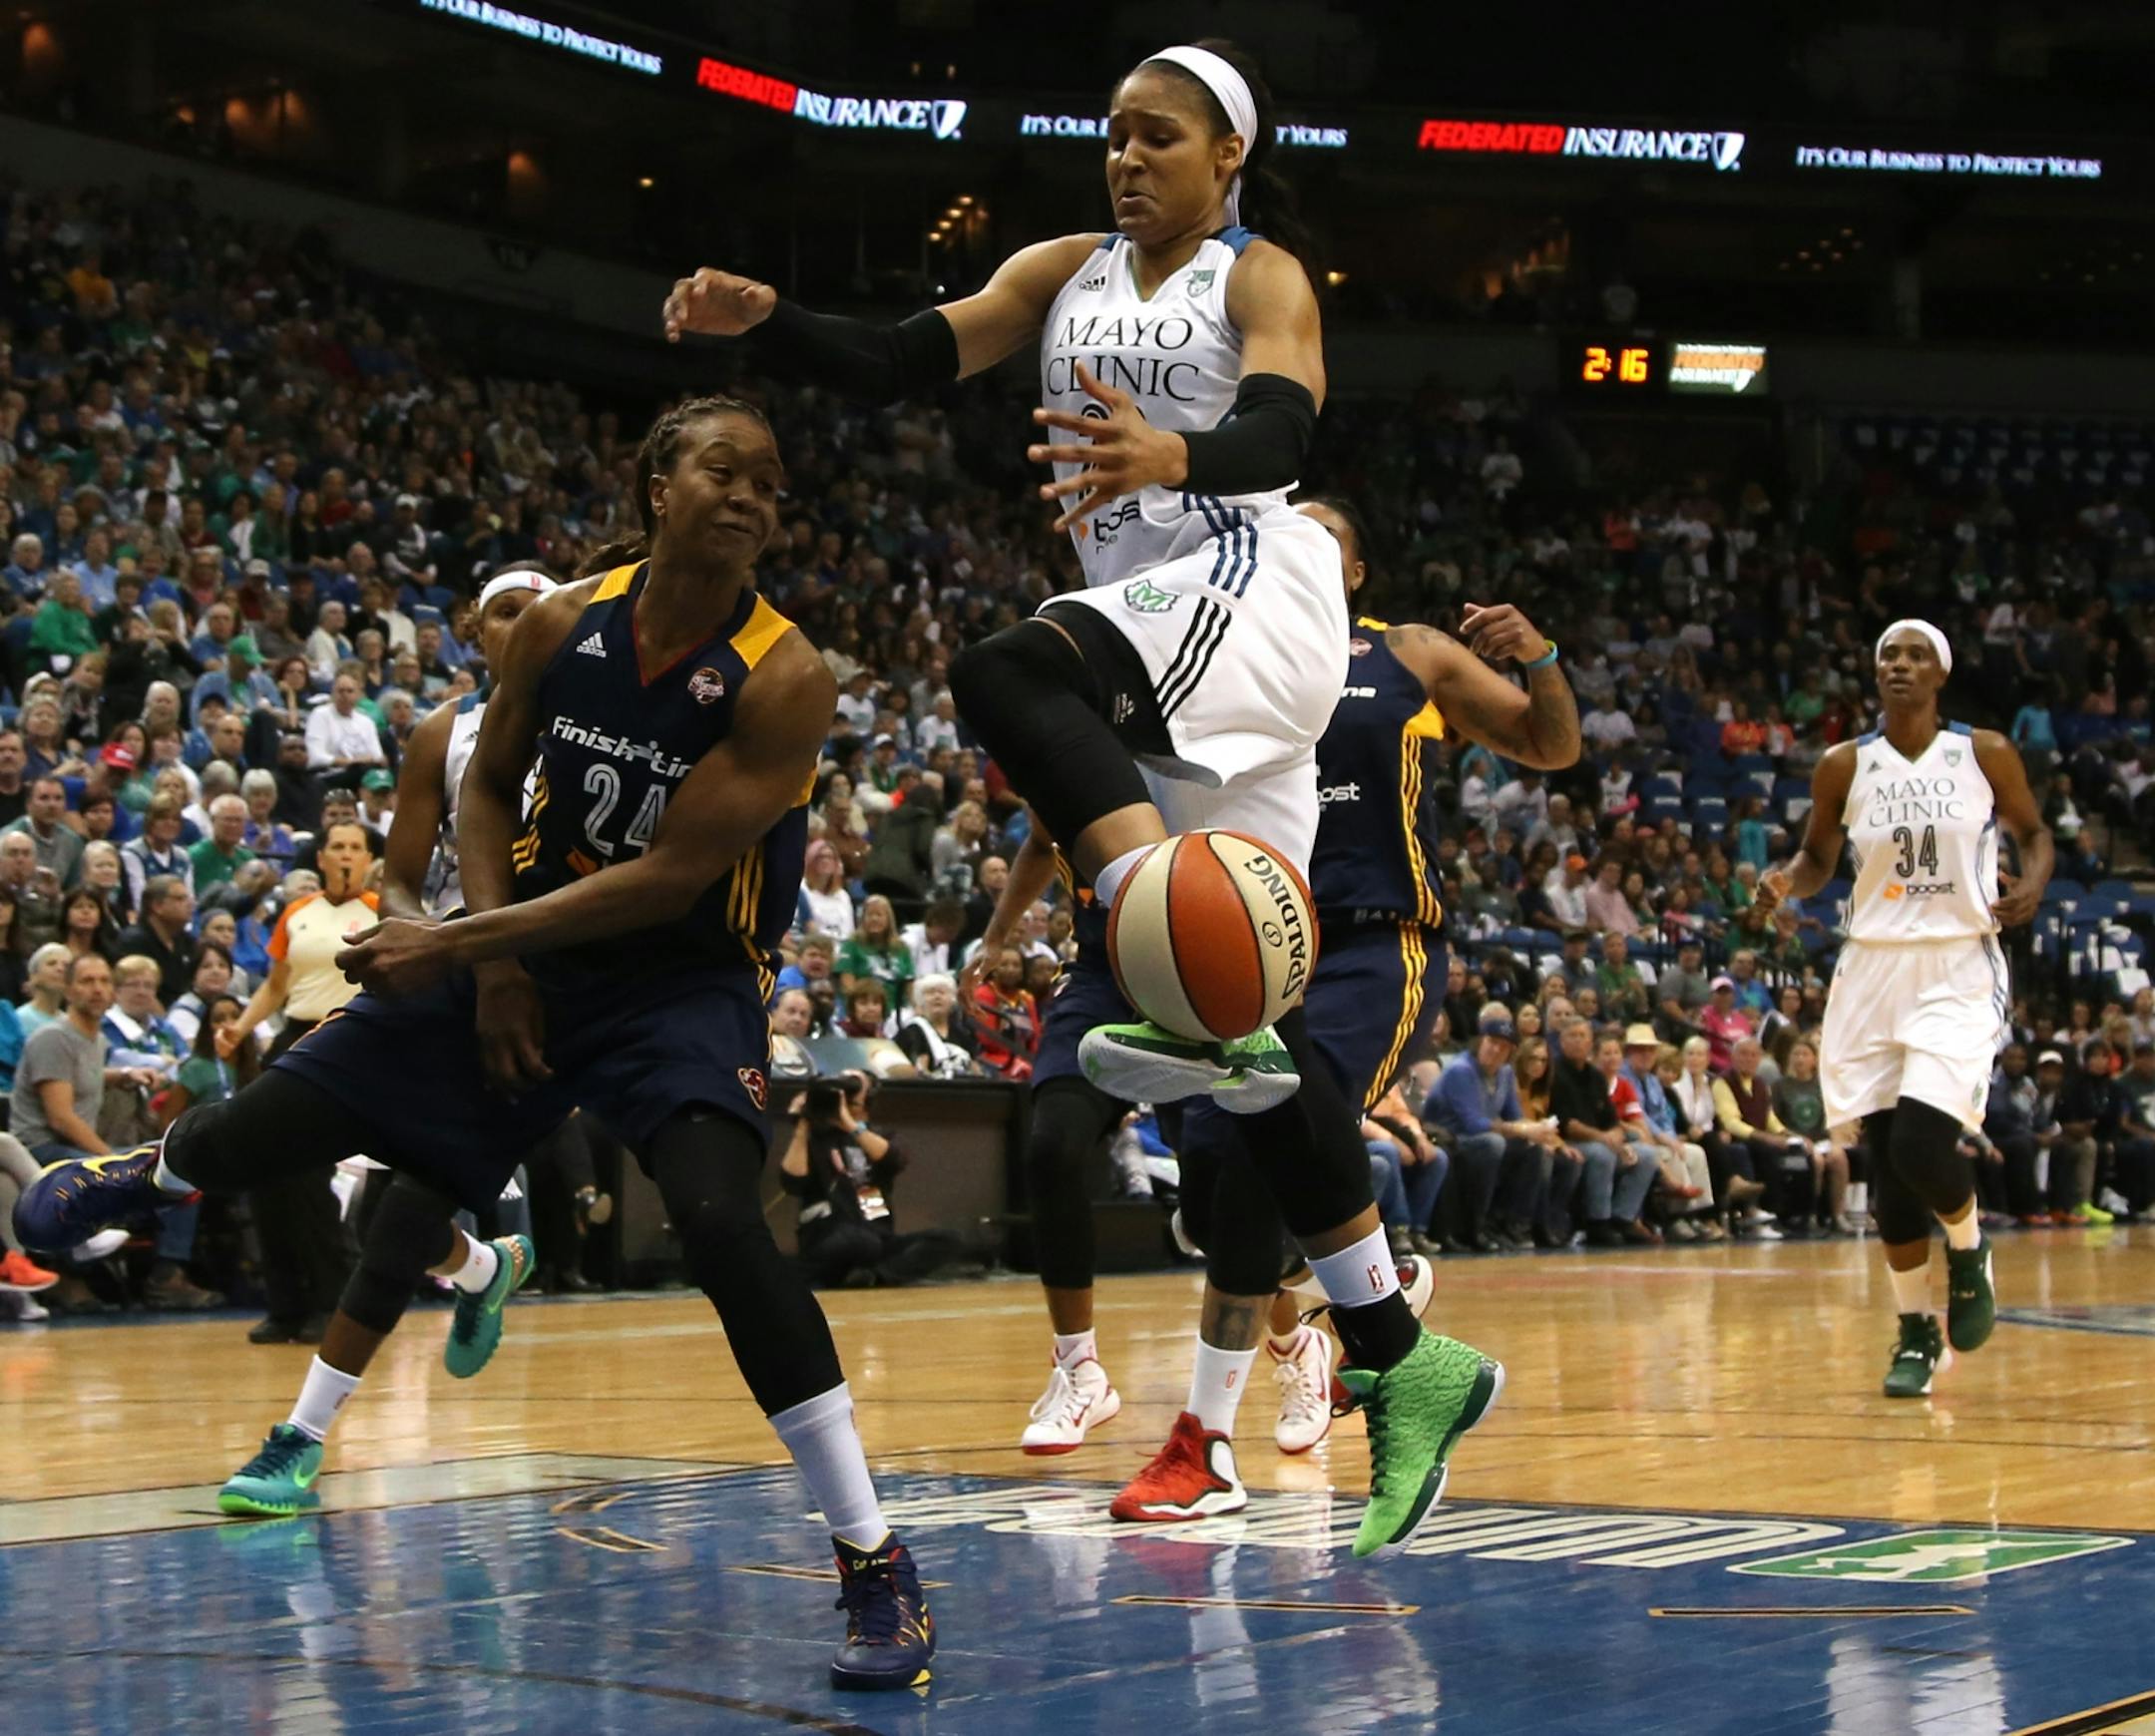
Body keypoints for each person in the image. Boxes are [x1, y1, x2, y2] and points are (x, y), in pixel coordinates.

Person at [14, 396, 933, 1691]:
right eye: (723, 471)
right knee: (284, 1109)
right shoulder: (563, 622)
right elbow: (489, 788)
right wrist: (494, 961)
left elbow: (671, 880)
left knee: (724, 1223)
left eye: (771, 486)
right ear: (658, 481)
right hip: (526, 960)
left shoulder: (789, 677)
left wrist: (451, 945)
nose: (749, 499)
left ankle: (873, 1557)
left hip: (684, 989)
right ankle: (137, 1179)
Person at [1046, 495, 1578, 1521]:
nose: (1293, 553)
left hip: (1368, 948)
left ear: (1357, 575)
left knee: (1250, 1170)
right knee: (1209, 1203)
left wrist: (1542, 656)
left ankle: (1204, 1448)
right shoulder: (1206, 652)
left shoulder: (1412, 656)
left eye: (1324, 541)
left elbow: (1549, 746)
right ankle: (1373, 1280)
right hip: (1230, 950)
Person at [1758, 621, 2050, 1398]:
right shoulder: (1843, 764)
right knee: (1886, 1166)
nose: (1899, 665)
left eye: (1916, 656)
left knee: (1925, 1145)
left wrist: (2034, 881)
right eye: (1889, 654)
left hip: (1956, 960)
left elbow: (2033, 830)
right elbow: (1820, 858)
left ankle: (1970, 1244)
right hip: (1871, 967)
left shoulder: (1982, 751)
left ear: (1939, 675)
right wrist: (1789, 882)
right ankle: (1916, 1331)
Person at [895, 974, 980, 1080]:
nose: (937, 996)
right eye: (930, 993)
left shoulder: (963, 1033)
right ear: (920, 1001)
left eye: (942, 992)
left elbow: (975, 1068)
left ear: (952, 1000)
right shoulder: (911, 1032)